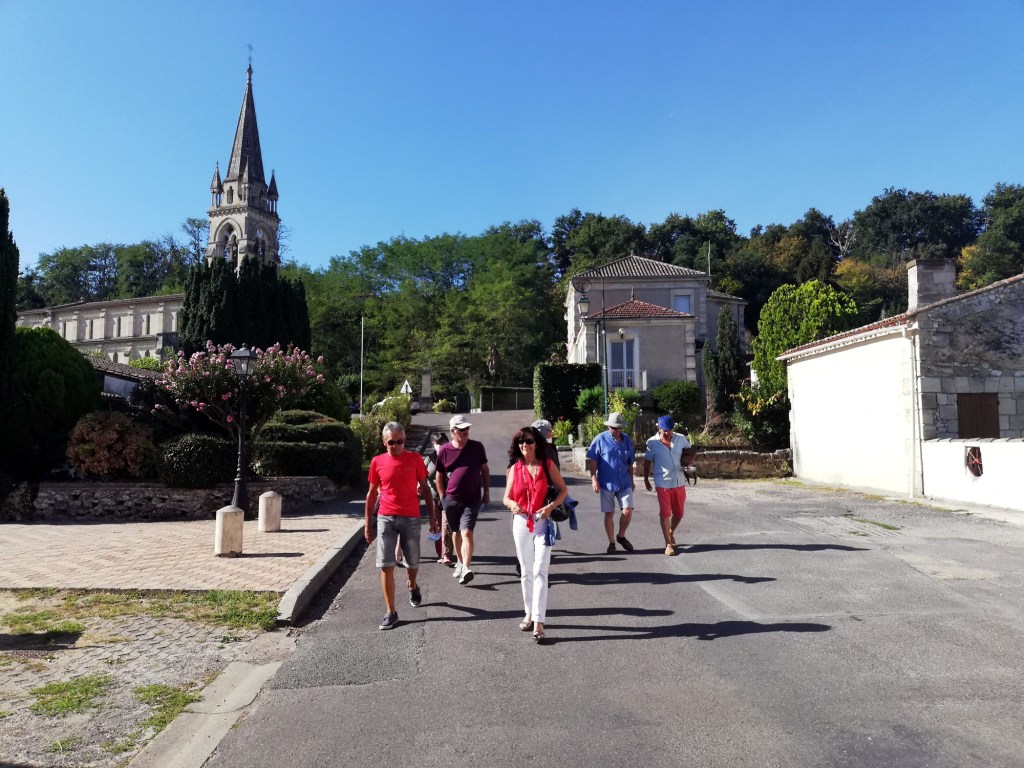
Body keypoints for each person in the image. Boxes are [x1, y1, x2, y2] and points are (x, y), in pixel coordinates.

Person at [365, 422, 438, 630]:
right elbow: (371, 494)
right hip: (386, 517)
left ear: (404, 440)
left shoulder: (414, 459)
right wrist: (367, 525)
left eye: (400, 441)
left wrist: (433, 519)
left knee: (412, 563)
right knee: (386, 564)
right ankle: (391, 612)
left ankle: (412, 585)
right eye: (391, 442)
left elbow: (425, 489)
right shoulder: (377, 462)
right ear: (384, 442)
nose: (396, 445)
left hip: (411, 516)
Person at [503, 425, 567, 643]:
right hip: (521, 522)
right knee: (526, 571)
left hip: (543, 522)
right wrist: (512, 504)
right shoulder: (515, 468)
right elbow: (506, 497)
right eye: (521, 441)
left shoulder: (547, 465)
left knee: (540, 570)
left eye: (529, 441)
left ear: (537, 444)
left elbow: (563, 490)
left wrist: (550, 507)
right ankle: (528, 612)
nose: (525, 445)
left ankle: (539, 621)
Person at [435, 414, 490, 585]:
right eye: (461, 429)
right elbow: (439, 475)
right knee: (456, 533)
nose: (466, 431)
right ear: (453, 431)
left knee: (466, 532)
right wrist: (443, 497)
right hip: (451, 500)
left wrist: (486, 492)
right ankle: (459, 562)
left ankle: (466, 567)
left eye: (467, 428)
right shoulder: (444, 451)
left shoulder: (477, 447)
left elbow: (484, 469)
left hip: (472, 499)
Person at [642, 415, 693, 556]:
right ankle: (668, 544)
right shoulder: (652, 442)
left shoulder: (681, 438)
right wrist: (646, 479)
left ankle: (670, 532)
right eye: (664, 430)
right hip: (662, 482)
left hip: (679, 481)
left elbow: (689, 454)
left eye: (669, 430)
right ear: (659, 428)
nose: (667, 432)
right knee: (665, 512)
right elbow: (647, 462)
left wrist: (689, 464)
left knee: (679, 513)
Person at [586, 412, 636, 554]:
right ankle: (611, 543)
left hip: (624, 481)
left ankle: (621, 536)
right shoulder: (600, 439)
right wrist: (594, 479)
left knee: (628, 510)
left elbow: (630, 462)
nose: (617, 430)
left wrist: (632, 480)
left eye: (619, 428)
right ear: (609, 426)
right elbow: (593, 461)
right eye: (614, 428)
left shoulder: (626, 440)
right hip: (606, 482)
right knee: (609, 513)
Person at [424, 431, 457, 566]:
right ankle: (440, 553)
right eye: (437, 443)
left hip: (448, 498)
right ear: (433, 444)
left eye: (442, 443)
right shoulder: (429, 459)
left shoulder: (452, 458)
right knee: (436, 526)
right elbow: (421, 476)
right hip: (434, 498)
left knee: (447, 526)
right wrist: (419, 486)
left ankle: (446, 554)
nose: (440, 445)